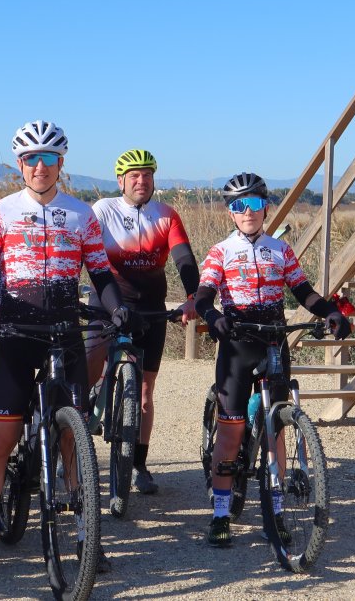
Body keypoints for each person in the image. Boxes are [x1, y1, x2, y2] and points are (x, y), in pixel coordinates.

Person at [0, 120, 135, 579]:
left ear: (61, 164)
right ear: (20, 165)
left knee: (74, 440)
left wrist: (116, 310)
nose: (40, 167)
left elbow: (99, 274)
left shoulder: (81, 214)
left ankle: (84, 538)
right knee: (0, 440)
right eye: (31, 159)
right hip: (16, 335)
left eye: (49, 159)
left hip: (65, 334)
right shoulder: (1, 212)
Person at [193, 171, 351, 548]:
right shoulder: (221, 251)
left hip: (274, 343)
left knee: (276, 429)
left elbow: (304, 292)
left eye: (254, 203)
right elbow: (202, 296)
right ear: (230, 212)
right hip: (237, 345)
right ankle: (219, 514)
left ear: (266, 207)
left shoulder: (280, 250)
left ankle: (276, 512)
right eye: (238, 205)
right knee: (230, 434)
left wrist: (330, 312)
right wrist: (213, 318)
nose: (247, 211)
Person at [84, 149, 200, 495]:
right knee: (87, 369)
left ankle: (139, 465)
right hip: (107, 305)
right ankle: (73, 434)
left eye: (147, 175)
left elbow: (184, 260)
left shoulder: (166, 215)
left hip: (150, 308)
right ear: (121, 180)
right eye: (133, 175)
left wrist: (194, 298)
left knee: (146, 393)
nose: (141, 180)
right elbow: (83, 252)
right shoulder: (103, 210)